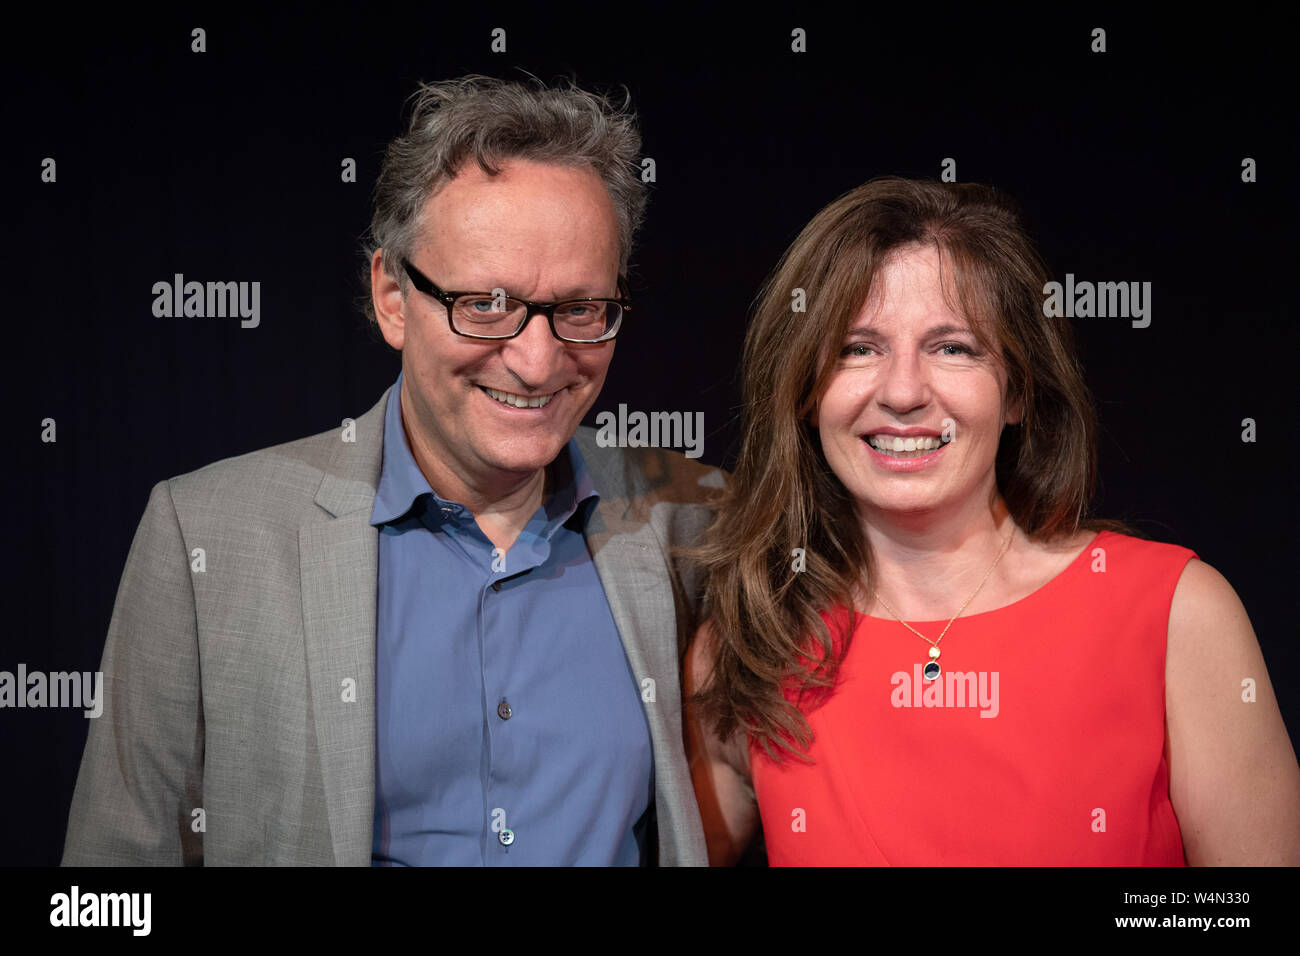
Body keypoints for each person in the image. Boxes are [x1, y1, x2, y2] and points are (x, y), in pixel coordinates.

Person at [62, 75, 722, 866]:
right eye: (484, 304)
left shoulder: (692, 518)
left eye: (579, 309)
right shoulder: (207, 537)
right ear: (391, 296)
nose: (539, 359)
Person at [684, 177, 1300, 866]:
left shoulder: (1176, 615)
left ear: (1017, 391)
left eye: (954, 347)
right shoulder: (748, 644)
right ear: (803, 390)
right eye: (857, 348)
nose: (903, 391)